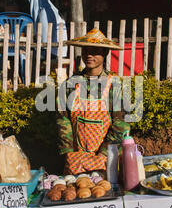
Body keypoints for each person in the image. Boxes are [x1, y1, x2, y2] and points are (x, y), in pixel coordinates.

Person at [56, 28, 130, 175]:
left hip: (106, 160)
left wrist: (103, 154)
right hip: (76, 161)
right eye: (86, 51)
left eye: (95, 51)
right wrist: (69, 154)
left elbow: (121, 123)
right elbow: (63, 120)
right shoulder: (70, 85)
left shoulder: (114, 86)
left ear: (105, 53)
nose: (89, 55)